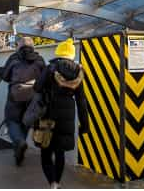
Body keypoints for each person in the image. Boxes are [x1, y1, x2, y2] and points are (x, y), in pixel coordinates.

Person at [34, 38, 89, 189]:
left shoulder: (50, 68)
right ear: (71, 54)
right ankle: (57, 183)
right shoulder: (78, 72)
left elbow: (37, 88)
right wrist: (85, 124)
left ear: (58, 52)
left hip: (49, 113)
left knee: (46, 152)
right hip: (67, 115)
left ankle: (51, 181)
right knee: (60, 152)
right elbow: (82, 100)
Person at [1, 36, 45, 165]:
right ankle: (19, 150)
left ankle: (19, 142)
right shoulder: (39, 59)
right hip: (33, 96)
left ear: (19, 46)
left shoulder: (14, 58)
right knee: (26, 121)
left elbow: (5, 76)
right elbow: (44, 78)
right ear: (32, 47)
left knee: (12, 121)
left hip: (15, 95)